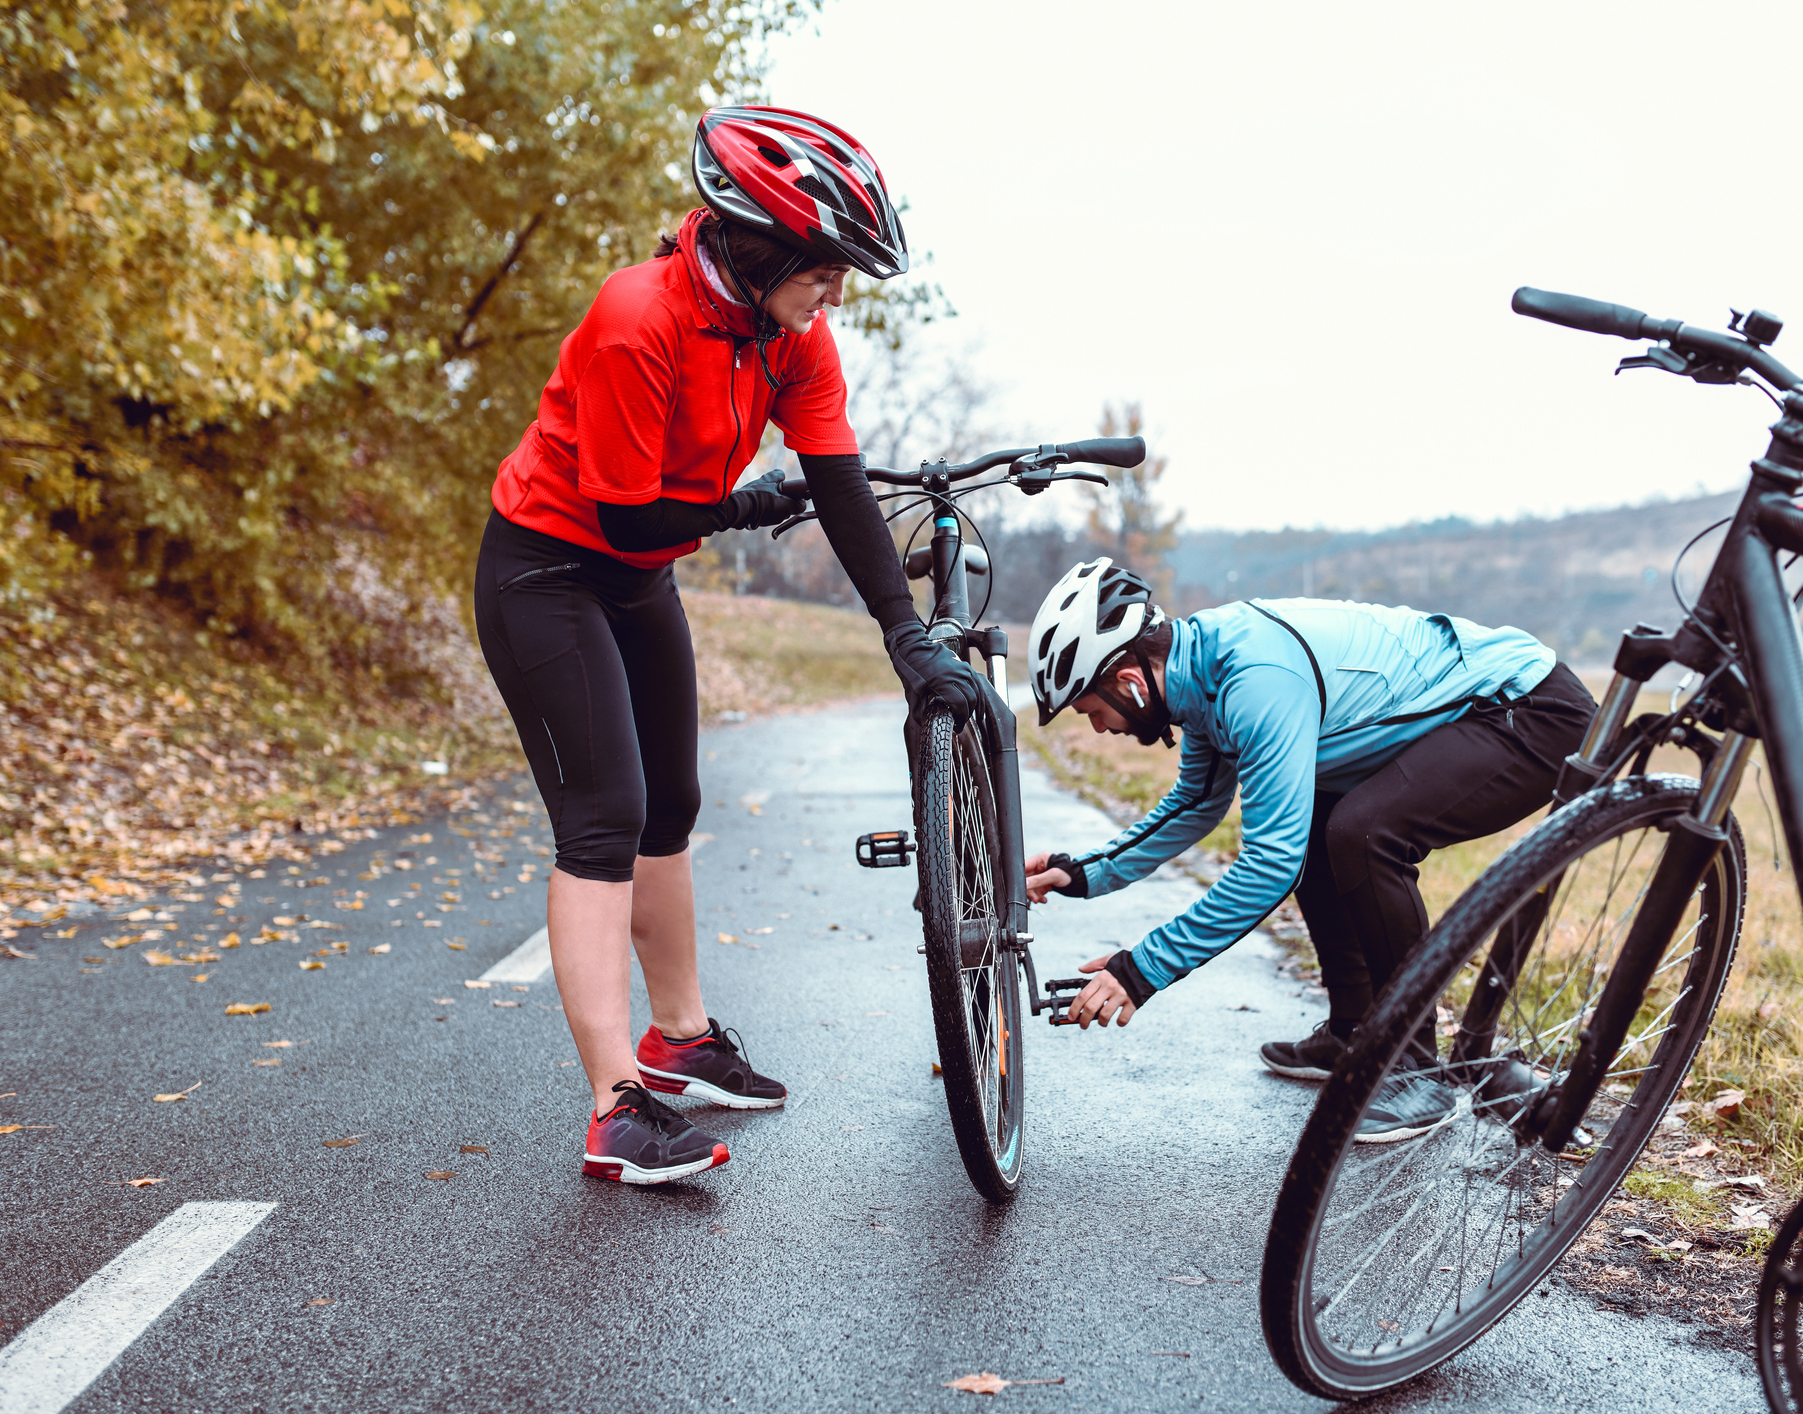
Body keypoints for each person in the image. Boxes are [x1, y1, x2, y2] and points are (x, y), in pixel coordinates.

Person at [472, 107, 985, 1185]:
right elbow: (626, 519)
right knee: (603, 819)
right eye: (826, 267)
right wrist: (746, 508)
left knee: (674, 807)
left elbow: (841, 487)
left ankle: (680, 1036)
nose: (837, 291)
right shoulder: (637, 318)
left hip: (637, 575)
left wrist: (905, 639)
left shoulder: (790, 333)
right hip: (549, 568)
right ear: (760, 246)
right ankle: (616, 1106)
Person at [1021, 559, 1595, 1142]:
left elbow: (1271, 866)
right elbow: (1194, 805)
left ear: (1129, 680)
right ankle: (1355, 1031)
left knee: (1364, 834)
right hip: (1489, 708)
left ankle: (1416, 1065)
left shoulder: (1254, 679)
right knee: (1322, 823)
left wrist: (1141, 970)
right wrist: (1080, 871)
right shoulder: (1202, 684)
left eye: (1091, 711)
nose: (1097, 729)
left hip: (1528, 710)